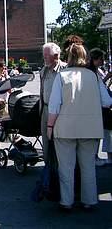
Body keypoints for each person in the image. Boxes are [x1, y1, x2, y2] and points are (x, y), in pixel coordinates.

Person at [47, 43, 112, 211]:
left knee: (66, 168)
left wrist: (49, 127)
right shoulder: (94, 76)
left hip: (65, 128)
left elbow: (54, 105)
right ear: (86, 57)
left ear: (69, 57)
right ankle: (89, 200)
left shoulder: (62, 76)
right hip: (90, 128)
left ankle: (66, 201)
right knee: (88, 166)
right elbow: (107, 101)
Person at [39, 42, 66, 158]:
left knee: (60, 142)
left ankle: (62, 170)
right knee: (46, 142)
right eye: (44, 55)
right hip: (45, 110)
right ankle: (48, 169)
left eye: (47, 55)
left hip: (61, 111)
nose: (44, 57)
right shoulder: (43, 71)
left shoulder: (66, 70)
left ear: (56, 56)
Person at [87, 48, 112, 165]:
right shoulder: (91, 72)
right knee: (96, 133)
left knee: (103, 132)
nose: (103, 61)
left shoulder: (97, 71)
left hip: (101, 107)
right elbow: (99, 88)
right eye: (101, 58)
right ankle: (94, 157)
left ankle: (98, 156)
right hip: (97, 107)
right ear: (95, 59)